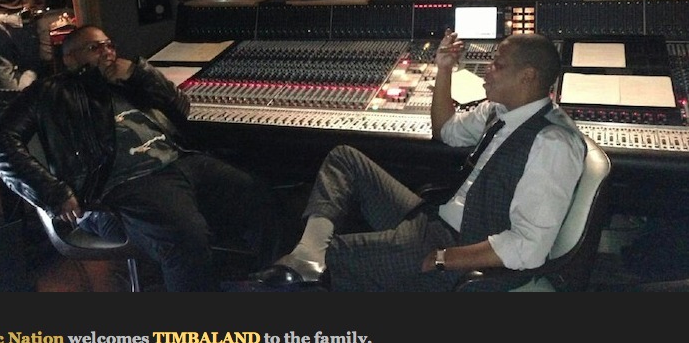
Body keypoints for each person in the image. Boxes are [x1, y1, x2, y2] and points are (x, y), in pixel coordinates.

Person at [247, 31, 586, 291]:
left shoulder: (552, 144)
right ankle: (308, 255)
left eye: (497, 65)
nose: (487, 71)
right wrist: (444, 68)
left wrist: (443, 259)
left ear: (527, 76)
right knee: (344, 158)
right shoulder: (501, 111)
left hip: (455, 244)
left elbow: (529, 247)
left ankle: (301, 272)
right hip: (436, 217)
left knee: (328, 259)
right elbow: (446, 130)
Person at [0, 25, 275, 292]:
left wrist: (140, 74)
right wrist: (51, 191)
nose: (108, 52)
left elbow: (180, 107)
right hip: (123, 183)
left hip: (180, 162)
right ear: (70, 58)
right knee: (186, 238)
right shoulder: (49, 92)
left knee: (258, 195)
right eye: (95, 48)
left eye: (110, 45)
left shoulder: (127, 81)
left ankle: (272, 284)